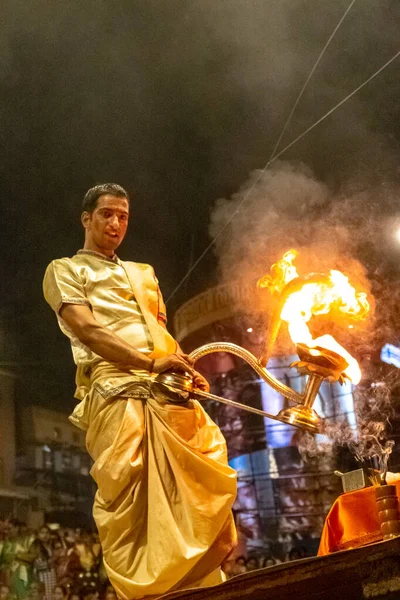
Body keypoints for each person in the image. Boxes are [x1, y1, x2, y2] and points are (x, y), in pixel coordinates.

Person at [43, 184, 237, 599]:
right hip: (118, 394)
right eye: (107, 214)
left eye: (123, 216)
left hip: (170, 391)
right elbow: (88, 330)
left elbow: (159, 330)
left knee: (204, 475)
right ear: (87, 219)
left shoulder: (144, 272)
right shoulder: (64, 270)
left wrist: (184, 365)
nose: (116, 223)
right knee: (133, 502)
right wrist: (150, 363)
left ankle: (205, 586)